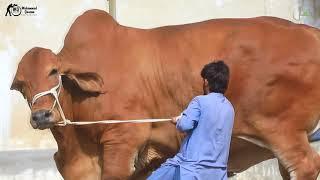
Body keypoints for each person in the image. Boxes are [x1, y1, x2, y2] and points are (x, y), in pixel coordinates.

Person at [147, 60, 235, 180]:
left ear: (206, 82)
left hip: (191, 170)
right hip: (217, 174)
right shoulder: (229, 108)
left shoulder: (200, 101)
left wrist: (177, 121)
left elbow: (185, 125)